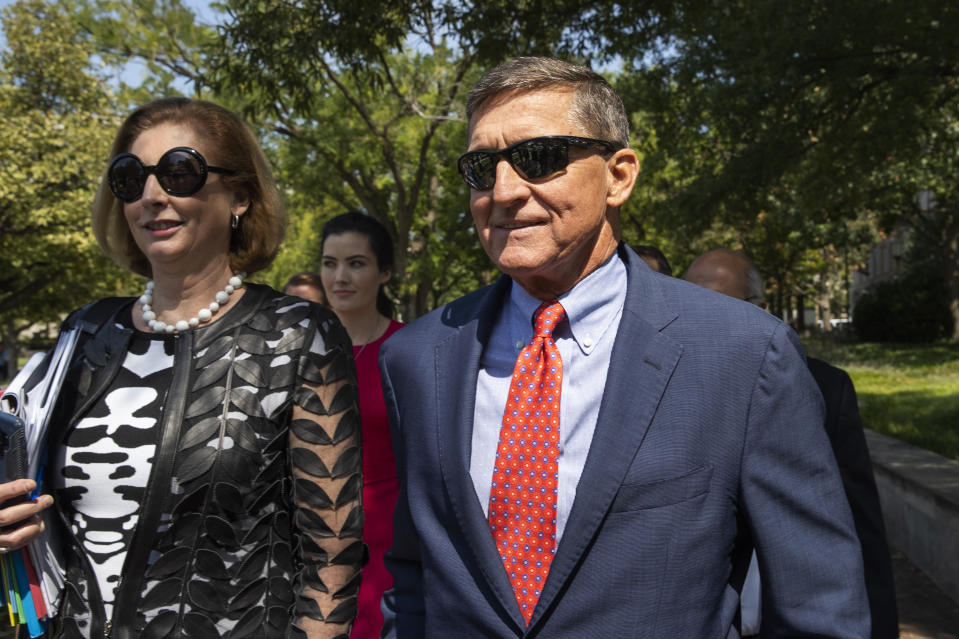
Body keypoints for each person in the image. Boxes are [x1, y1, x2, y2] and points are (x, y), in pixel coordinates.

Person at [378, 56, 870, 637]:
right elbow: (414, 577)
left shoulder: (742, 353)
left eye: (539, 158)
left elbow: (819, 602)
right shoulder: (418, 356)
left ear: (619, 175)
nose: (504, 191)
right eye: (483, 168)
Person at [0, 97, 362, 638]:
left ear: (239, 194)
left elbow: (332, 558)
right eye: (130, 178)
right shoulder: (86, 333)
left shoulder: (297, 333)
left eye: (179, 172)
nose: (152, 196)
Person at [685, 247, 899, 639]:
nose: (704, 320)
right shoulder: (668, 393)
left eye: (720, 305)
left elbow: (860, 535)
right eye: (693, 304)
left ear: (761, 309)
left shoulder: (824, 390)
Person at [319, 213, 403, 639]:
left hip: (390, 538)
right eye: (329, 263)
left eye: (356, 263)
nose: (340, 276)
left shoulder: (410, 350)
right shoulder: (297, 352)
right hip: (309, 540)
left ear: (384, 271)